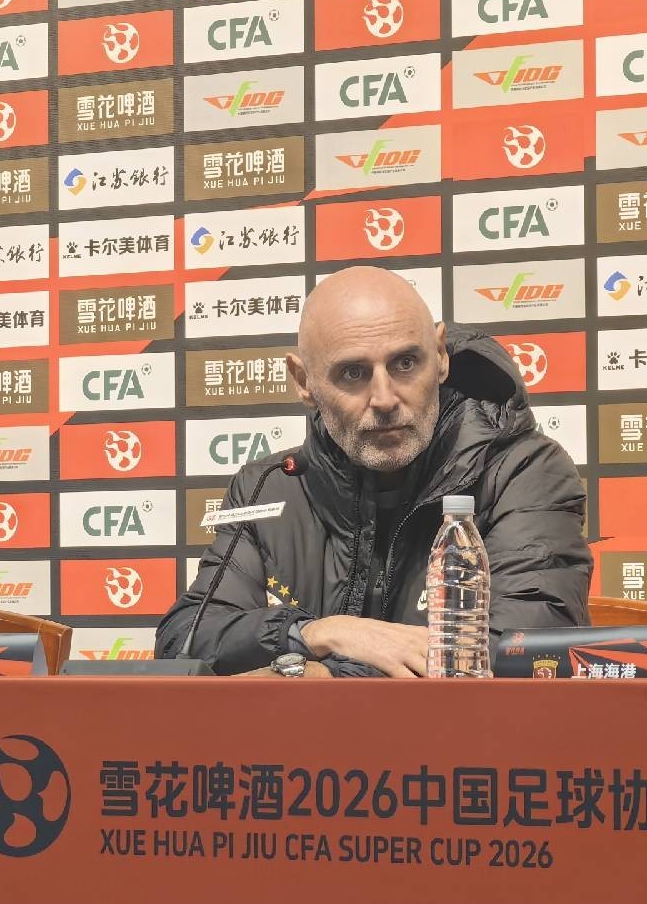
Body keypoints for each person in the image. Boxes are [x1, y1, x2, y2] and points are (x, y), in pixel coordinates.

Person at [157, 265, 591, 677]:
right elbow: (185, 640)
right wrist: (319, 632)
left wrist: (318, 675)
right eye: (353, 373)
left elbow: (521, 653)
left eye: (405, 364)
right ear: (304, 381)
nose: (384, 398)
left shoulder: (524, 472)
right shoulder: (267, 486)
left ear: (440, 356)